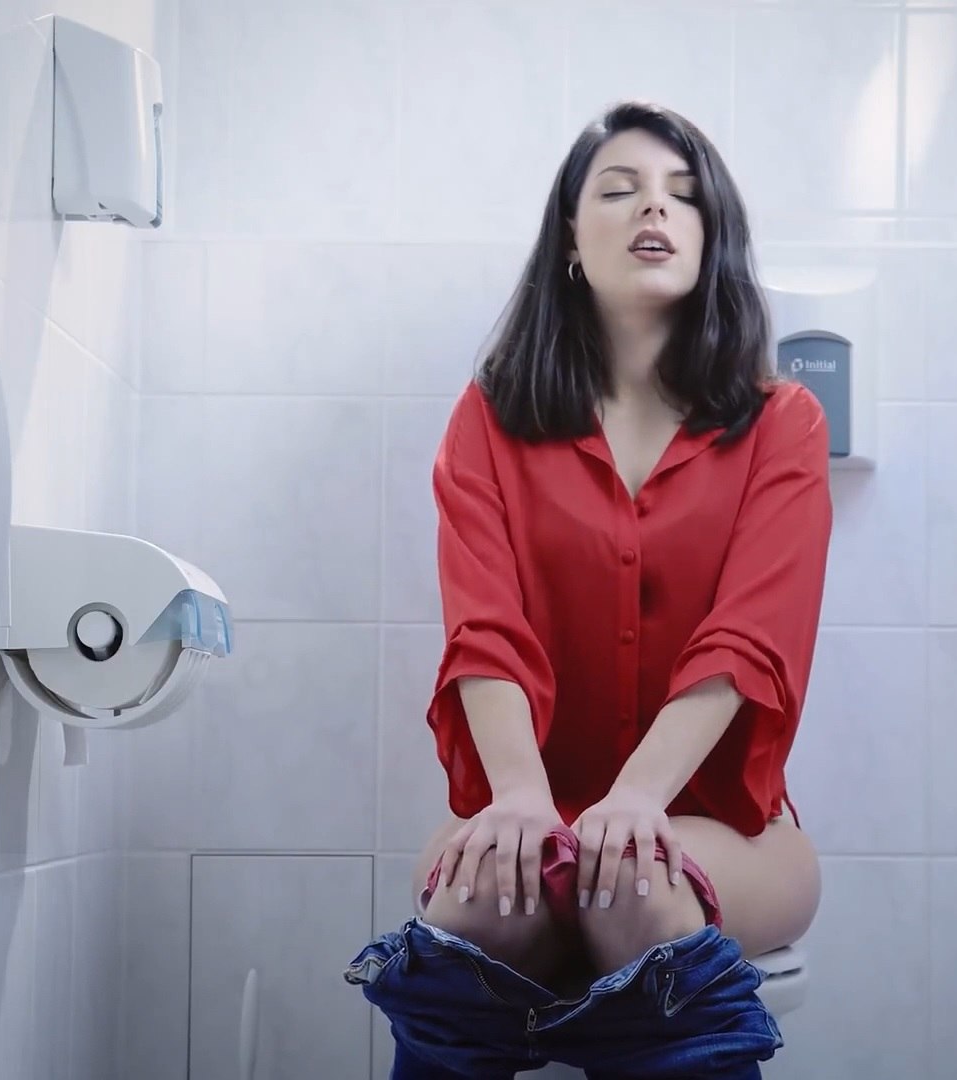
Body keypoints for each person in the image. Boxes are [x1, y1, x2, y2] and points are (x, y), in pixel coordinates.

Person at [347, 100, 832, 1080]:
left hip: (720, 828)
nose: (655, 207)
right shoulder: (489, 419)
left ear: (712, 239)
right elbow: (485, 632)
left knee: (635, 887)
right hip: (527, 807)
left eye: (684, 196)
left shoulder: (784, 423)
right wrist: (523, 797)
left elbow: (747, 641)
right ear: (570, 240)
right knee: (474, 908)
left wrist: (636, 801)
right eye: (620, 190)